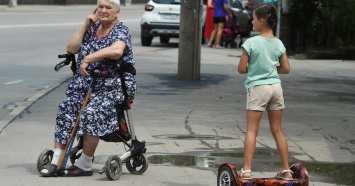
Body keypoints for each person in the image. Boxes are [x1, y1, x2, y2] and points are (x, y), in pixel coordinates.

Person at [40, 0, 136, 177]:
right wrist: (86, 24)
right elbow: (71, 47)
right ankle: (56, 161)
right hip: (86, 85)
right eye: (100, 7)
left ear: (117, 12)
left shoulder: (120, 30)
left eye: (108, 7)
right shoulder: (92, 28)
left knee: (91, 112)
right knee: (66, 107)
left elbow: (116, 51)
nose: (103, 10)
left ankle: (84, 164)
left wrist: (89, 58)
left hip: (112, 87)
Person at [237, 3, 292, 180]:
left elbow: (241, 68)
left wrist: (252, 70)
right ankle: (286, 171)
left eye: (253, 18)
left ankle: (246, 170)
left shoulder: (251, 43)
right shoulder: (278, 43)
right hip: (276, 88)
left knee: (252, 130)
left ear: (261, 21)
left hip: (258, 89)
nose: (252, 21)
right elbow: (286, 68)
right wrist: (271, 70)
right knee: (277, 130)